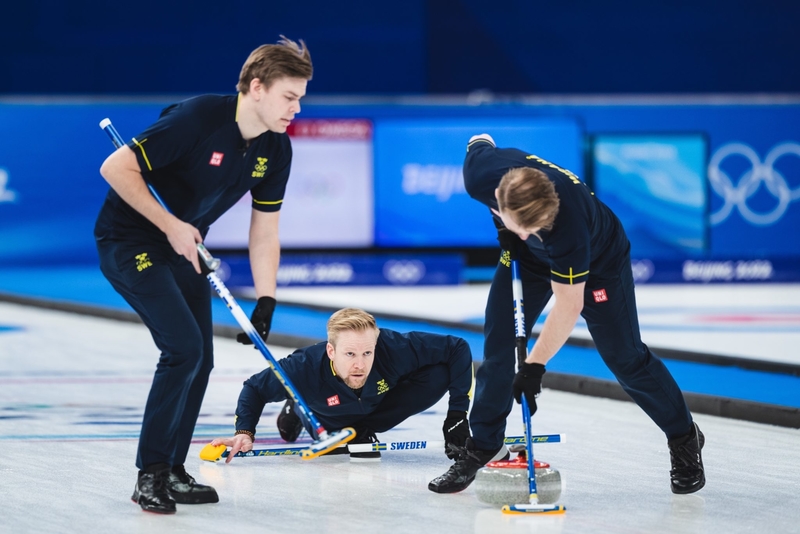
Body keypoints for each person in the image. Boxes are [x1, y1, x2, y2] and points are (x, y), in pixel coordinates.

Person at [94, 36, 313, 514]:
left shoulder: (276, 151)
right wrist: (171, 224)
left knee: (203, 359)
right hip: (130, 241)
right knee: (183, 349)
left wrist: (266, 298)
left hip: (183, 247)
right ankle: (149, 474)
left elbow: (265, 230)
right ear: (257, 87)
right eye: (289, 96)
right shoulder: (197, 119)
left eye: (300, 98)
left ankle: (172, 469)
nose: (296, 108)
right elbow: (115, 167)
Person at [428, 134, 705, 495]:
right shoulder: (481, 174)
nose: (526, 233)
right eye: (520, 227)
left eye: (532, 230)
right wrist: (506, 231)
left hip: (599, 264)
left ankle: (684, 438)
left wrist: (533, 368)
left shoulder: (567, 230)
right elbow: (480, 140)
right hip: (526, 262)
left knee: (625, 357)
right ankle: (483, 445)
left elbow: (568, 306)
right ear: (499, 196)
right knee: (498, 346)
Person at [210, 307, 473, 464]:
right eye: (350, 354)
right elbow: (254, 388)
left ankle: (363, 428)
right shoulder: (303, 367)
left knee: (439, 373)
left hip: (375, 406)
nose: (360, 364)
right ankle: (295, 407)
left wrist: (457, 415)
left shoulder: (393, 348)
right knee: (291, 428)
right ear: (331, 351)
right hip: (325, 414)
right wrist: (245, 431)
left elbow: (457, 348)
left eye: (367, 353)